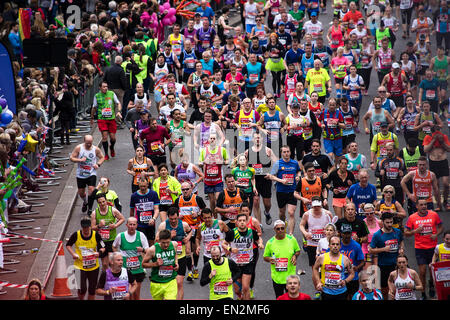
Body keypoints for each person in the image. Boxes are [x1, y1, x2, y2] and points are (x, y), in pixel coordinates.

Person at [404, 198, 444, 300]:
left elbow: (441, 227)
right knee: (422, 272)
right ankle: (422, 293)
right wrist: (415, 231)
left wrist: (436, 234)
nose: (424, 207)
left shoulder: (433, 214)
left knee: (431, 271)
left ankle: (431, 284)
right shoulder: (412, 217)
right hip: (420, 248)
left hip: (432, 248)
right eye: (421, 205)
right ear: (417, 206)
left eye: (425, 204)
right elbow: (406, 233)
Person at [223, 213, 264, 300]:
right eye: (240, 221)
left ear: (246, 222)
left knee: (245, 288)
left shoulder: (251, 232)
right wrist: (230, 249)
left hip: (248, 262)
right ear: (237, 222)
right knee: (237, 290)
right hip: (235, 264)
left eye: (244, 221)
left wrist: (260, 243)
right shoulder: (232, 233)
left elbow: (258, 239)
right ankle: (241, 297)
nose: (242, 222)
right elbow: (223, 244)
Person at [66, 216, 106, 300]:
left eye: (87, 227)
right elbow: (68, 245)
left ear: (90, 226)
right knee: (82, 289)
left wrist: (99, 253)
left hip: (93, 267)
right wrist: (73, 254)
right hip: (79, 266)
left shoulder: (96, 235)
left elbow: (103, 247)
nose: (86, 230)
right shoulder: (76, 235)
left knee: (92, 290)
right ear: (81, 227)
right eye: (84, 228)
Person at [156, 207, 192, 300]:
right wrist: (169, 236)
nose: (173, 221)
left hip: (181, 257)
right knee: (167, 283)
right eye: (171, 219)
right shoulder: (163, 225)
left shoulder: (183, 224)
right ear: (168, 217)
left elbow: (190, 231)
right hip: (168, 258)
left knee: (179, 283)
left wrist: (188, 238)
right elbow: (156, 241)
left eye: (175, 219)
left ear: (178, 216)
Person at [174, 181, 207, 281]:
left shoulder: (197, 198)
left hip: (196, 227)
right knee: (187, 250)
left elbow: (205, 211)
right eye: (183, 190)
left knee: (194, 249)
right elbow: (172, 212)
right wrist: (177, 216)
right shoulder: (178, 200)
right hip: (184, 228)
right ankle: (190, 270)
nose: (185, 191)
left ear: (191, 189)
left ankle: (195, 266)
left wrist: (198, 213)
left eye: (187, 189)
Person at [266, 146, 301, 235]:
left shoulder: (294, 163)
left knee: (291, 212)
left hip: (292, 191)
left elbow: (298, 171)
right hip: (281, 191)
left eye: (287, 151)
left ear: (290, 152)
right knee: (282, 213)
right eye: (284, 152)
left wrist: (298, 176)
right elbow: (271, 176)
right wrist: (281, 180)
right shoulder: (278, 164)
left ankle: (290, 234)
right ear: (281, 153)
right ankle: (282, 224)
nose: (286, 154)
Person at [112, 217, 149, 300]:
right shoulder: (120, 236)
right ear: (127, 225)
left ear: (136, 225)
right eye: (130, 224)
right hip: (125, 270)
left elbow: (148, 250)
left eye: (134, 224)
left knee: (136, 295)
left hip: (138, 270)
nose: (132, 226)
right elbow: (114, 246)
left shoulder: (141, 235)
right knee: (128, 295)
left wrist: (142, 250)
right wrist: (117, 256)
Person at [246, 131, 278, 226]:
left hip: (265, 180)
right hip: (254, 180)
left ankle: (267, 213)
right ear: (252, 139)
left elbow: (276, 164)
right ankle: (259, 225)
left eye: (259, 137)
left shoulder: (268, 150)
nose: (257, 139)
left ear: (262, 139)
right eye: (255, 138)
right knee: (255, 201)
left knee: (267, 204)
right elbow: (243, 165)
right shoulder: (248, 152)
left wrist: (271, 174)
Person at [263, 220, 301, 298]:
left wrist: (295, 256)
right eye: (278, 229)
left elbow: (297, 251)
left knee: (292, 297)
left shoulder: (291, 239)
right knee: (279, 297)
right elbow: (265, 257)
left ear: (285, 229)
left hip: (290, 277)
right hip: (277, 277)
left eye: (282, 228)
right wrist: (270, 259)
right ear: (274, 229)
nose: (280, 230)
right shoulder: (270, 242)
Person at [312, 235, 355, 300]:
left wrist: (345, 281)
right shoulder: (322, 257)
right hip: (326, 292)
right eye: (333, 244)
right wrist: (318, 282)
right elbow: (315, 268)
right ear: (329, 245)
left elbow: (352, 274)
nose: (335, 246)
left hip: (341, 293)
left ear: (340, 246)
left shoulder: (345, 259)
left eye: (337, 244)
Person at [70, 135, 105, 214]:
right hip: (81, 174)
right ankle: (85, 202)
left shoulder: (95, 149)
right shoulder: (79, 148)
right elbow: (71, 157)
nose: (89, 144)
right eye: (87, 143)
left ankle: (90, 209)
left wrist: (98, 164)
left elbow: (102, 157)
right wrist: (79, 160)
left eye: (90, 143)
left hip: (91, 173)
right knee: (81, 193)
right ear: (84, 141)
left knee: (91, 190)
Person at [90, 193, 125, 272]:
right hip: (101, 241)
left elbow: (122, 219)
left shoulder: (112, 210)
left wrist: (115, 225)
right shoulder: (94, 213)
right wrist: (99, 225)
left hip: (111, 240)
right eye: (100, 202)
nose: (102, 204)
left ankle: (113, 278)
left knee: (111, 262)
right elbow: (92, 228)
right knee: (105, 264)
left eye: (103, 202)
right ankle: (105, 278)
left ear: (106, 201)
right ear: (97, 203)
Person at [142, 229, 179, 300]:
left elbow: (175, 254)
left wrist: (176, 263)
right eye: (163, 243)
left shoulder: (174, 244)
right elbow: (143, 264)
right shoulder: (152, 250)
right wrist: (155, 264)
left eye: (168, 242)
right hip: (156, 283)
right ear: (159, 240)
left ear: (170, 240)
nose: (166, 245)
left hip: (170, 281)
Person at [198, 133, 230, 214]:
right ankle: (214, 217)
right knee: (212, 201)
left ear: (217, 140)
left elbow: (227, 161)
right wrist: (203, 162)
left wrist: (222, 162)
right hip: (208, 180)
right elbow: (199, 162)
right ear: (208, 140)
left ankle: (222, 213)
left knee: (217, 198)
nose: (212, 140)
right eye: (211, 138)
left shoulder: (222, 150)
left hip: (218, 179)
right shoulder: (204, 150)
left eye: (214, 138)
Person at [91, 81, 122, 161]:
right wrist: (91, 118)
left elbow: (118, 103)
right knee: (104, 137)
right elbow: (94, 107)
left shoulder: (111, 93)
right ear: (100, 88)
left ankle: (111, 147)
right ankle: (106, 154)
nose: (105, 88)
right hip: (102, 119)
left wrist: (118, 111)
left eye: (106, 87)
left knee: (113, 138)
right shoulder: (97, 96)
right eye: (104, 87)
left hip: (111, 118)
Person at [299, 197, 333, 269]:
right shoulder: (307, 214)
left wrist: (328, 231)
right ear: (312, 205)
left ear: (321, 205)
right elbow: (301, 225)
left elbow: (333, 226)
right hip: (312, 243)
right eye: (315, 206)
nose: (316, 208)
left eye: (318, 206)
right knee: (314, 267)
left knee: (326, 265)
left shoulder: (327, 214)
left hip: (325, 243)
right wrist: (305, 233)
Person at [423, 129, 450, 212]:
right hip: (433, 163)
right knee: (436, 186)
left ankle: (445, 202)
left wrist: (442, 142)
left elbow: (449, 149)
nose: (437, 133)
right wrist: (433, 140)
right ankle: (438, 205)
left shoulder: (444, 137)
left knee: (446, 184)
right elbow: (425, 150)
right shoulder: (428, 137)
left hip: (443, 162)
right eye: (435, 132)